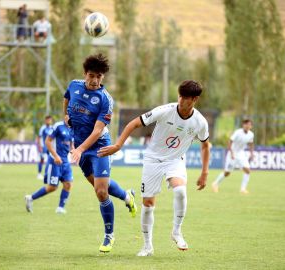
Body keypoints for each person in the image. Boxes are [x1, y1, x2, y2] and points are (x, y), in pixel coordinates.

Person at [98, 80, 210, 256]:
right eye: (180, 96)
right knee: (148, 204)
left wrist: (204, 172)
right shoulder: (165, 111)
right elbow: (133, 124)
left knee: (180, 191)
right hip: (152, 159)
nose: (181, 100)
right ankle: (147, 246)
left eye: (186, 98)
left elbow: (205, 145)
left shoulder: (200, 122)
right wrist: (118, 145)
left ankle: (176, 231)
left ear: (195, 99)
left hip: (175, 160)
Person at [64, 53, 137, 253]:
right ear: (84, 74)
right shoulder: (73, 85)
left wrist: (79, 149)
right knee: (98, 186)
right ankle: (127, 196)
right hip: (81, 146)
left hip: (99, 146)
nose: (95, 80)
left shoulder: (105, 100)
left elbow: (97, 131)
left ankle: (109, 236)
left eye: (99, 77)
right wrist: (65, 116)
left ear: (102, 77)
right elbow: (66, 99)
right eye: (91, 75)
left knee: (101, 191)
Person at [25, 120, 74, 214]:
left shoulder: (73, 127)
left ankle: (60, 208)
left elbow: (71, 145)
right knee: (52, 187)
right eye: (68, 113)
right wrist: (56, 156)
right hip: (55, 161)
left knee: (68, 184)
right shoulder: (58, 126)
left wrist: (74, 152)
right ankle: (30, 198)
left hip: (65, 161)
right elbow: (48, 141)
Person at [212, 119, 254, 194]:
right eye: (246, 124)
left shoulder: (251, 134)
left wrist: (251, 153)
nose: (247, 126)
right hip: (233, 153)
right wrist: (231, 153)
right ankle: (215, 183)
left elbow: (251, 144)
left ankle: (243, 189)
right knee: (227, 173)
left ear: (251, 126)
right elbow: (230, 141)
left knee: (247, 170)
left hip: (241, 154)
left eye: (249, 124)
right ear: (243, 125)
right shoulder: (238, 132)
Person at [37, 115, 53, 180]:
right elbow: (39, 137)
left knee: (51, 160)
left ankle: (48, 174)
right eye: (48, 120)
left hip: (50, 147)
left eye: (50, 120)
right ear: (45, 120)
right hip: (44, 147)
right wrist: (40, 146)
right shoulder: (43, 128)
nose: (49, 121)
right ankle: (39, 174)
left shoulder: (52, 128)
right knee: (42, 159)